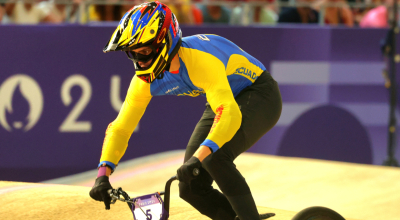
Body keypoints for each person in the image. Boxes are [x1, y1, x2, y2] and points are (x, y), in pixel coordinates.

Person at [89, 1, 282, 220]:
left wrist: (198, 157)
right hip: (220, 98)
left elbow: (229, 112)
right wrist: (102, 175)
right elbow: (121, 128)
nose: (140, 62)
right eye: (133, 54)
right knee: (189, 187)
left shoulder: (200, 60)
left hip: (258, 92)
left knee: (213, 158)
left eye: (144, 52)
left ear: (166, 43)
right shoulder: (144, 81)